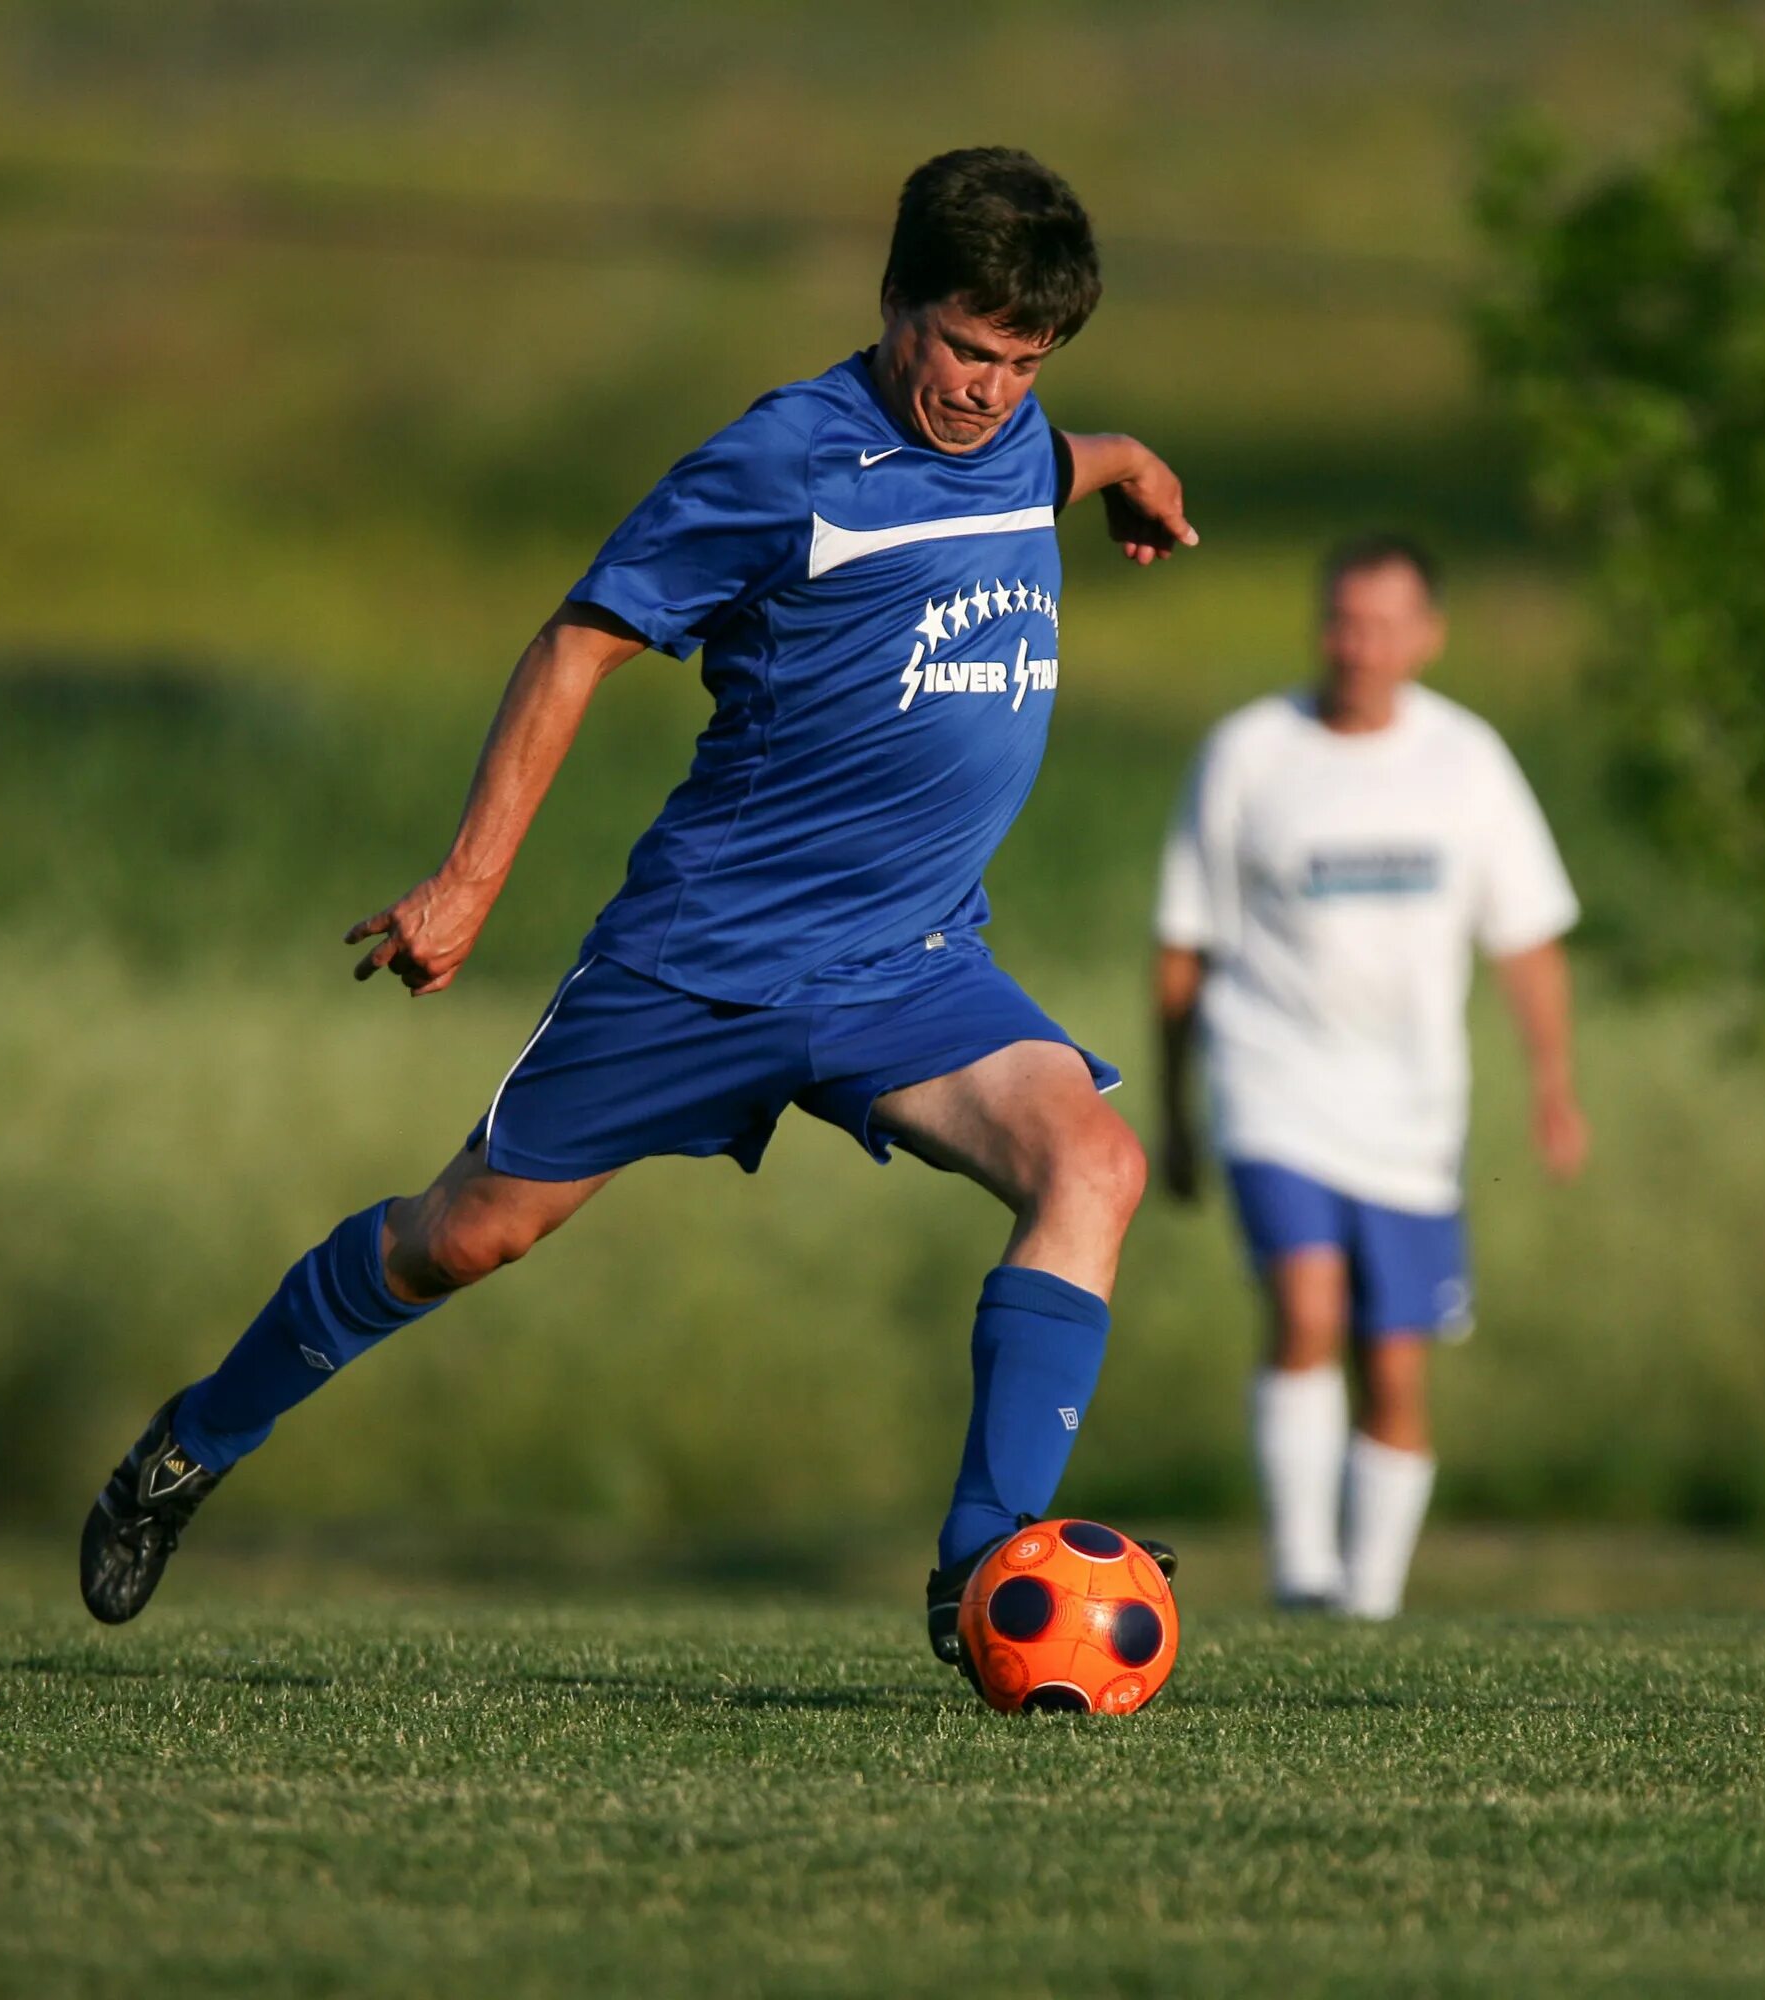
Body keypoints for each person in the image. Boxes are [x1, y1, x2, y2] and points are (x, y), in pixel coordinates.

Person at [79, 148, 1197, 1675]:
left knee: (1095, 1163)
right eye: (961, 348)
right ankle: (190, 1447)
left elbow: (1070, 454)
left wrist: (1134, 471)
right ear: (892, 305)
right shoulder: (782, 459)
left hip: (910, 966)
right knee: (459, 1240)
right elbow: (577, 644)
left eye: (1022, 363)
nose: (985, 392)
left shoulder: (1015, 440)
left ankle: (983, 1571)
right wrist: (468, 880)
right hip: (708, 963)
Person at [1153, 535, 1584, 1619]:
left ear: (1428, 637)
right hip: (1270, 1078)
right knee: (1307, 1304)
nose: (1359, 645)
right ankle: (1300, 1571)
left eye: (1384, 624)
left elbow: (1526, 936)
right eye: (1343, 620)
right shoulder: (1249, 752)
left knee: (1393, 1359)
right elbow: (1184, 943)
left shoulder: (1469, 760)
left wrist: (1553, 1085)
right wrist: (1175, 1113)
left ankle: (1369, 1602)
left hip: (1411, 1107)